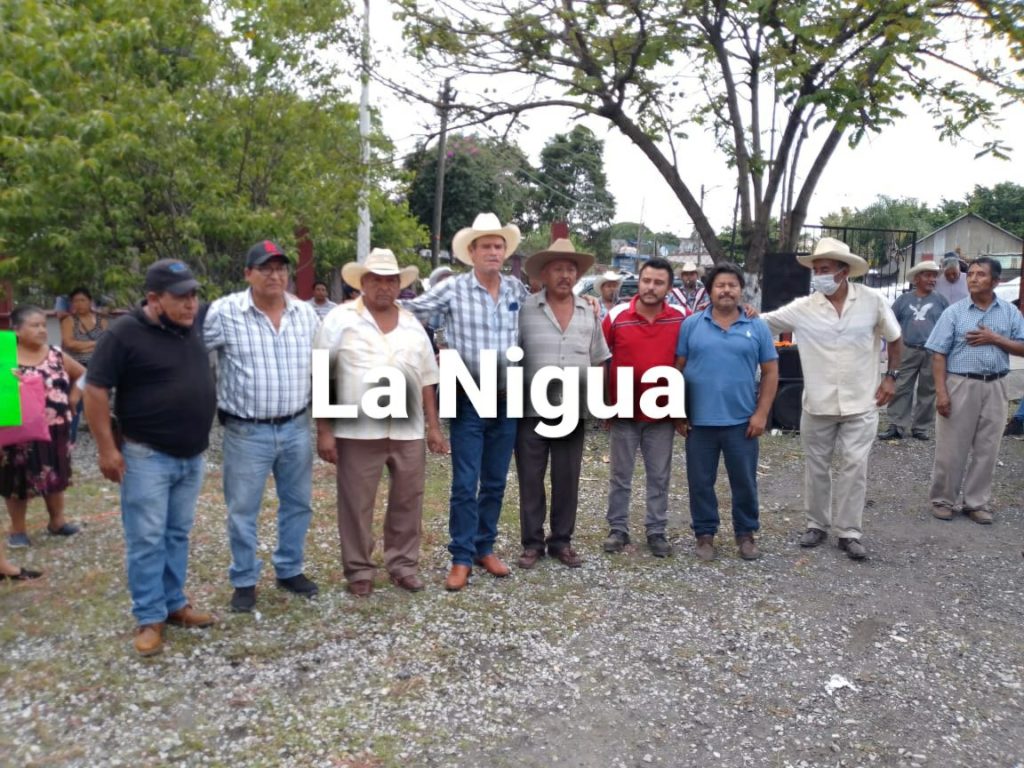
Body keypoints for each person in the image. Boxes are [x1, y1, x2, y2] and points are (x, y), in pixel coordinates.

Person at [85, 259, 218, 656]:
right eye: (180, 297)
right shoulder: (123, 334)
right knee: (146, 538)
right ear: (154, 299)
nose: (190, 303)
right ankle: (148, 615)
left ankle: (174, 602)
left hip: (191, 455)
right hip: (146, 455)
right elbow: (94, 391)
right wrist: (107, 448)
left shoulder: (191, 326)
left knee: (176, 533)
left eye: (193, 294)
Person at [314, 249, 448, 596]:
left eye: (391, 280)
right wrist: (324, 429)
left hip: (407, 429)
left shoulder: (412, 324)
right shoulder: (340, 319)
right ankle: (359, 569)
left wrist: (433, 427)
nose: (384, 287)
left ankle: (403, 564)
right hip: (357, 429)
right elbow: (322, 375)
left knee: (408, 498)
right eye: (377, 279)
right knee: (357, 501)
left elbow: (427, 379)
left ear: (399, 285)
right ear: (363, 282)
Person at [405, 213, 526, 591]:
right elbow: (411, 311)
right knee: (464, 482)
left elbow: (543, 309)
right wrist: (368, 304)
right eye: (485, 246)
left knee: (494, 481)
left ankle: (483, 547)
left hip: (506, 398)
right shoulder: (452, 290)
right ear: (470, 252)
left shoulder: (516, 290)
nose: (493, 251)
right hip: (467, 396)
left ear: (504, 251)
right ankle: (460, 557)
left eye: (497, 245)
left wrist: (582, 298)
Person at [761, 237, 902, 560]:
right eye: (816, 269)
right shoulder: (804, 308)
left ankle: (849, 532)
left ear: (843, 271)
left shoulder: (872, 301)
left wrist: (891, 377)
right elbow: (764, 323)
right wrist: (738, 314)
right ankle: (817, 524)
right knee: (817, 467)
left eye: (824, 269)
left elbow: (896, 339)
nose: (818, 275)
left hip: (862, 401)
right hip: (818, 403)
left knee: (855, 466)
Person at [203, 240, 321, 612]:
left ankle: (288, 568)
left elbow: (323, 366)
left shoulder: (305, 314)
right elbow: (190, 355)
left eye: (281, 268)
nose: (275, 275)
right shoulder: (224, 313)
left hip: (296, 426)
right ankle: (244, 579)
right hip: (245, 431)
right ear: (248, 274)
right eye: (265, 268)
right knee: (242, 509)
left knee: (298, 503)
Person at [515, 240, 610, 569]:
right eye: (558, 268)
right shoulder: (525, 309)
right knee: (530, 476)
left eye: (571, 269)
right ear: (544, 273)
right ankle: (531, 543)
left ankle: (561, 541)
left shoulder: (589, 311)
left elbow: (599, 359)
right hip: (531, 408)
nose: (565, 275)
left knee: (567, 477)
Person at [676, 263, 779, 561]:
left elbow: (771, 372)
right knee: (700, 481)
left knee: (744, 480)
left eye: (732, 285)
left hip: (742, 422)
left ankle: (745, 534)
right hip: (699, 422)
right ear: (709, 291)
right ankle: (705, 535)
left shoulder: (756, 326)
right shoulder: (691, 325)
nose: (726, 290)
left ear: (740, 291)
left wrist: (761, 414)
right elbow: (677, 370)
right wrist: (677, 412)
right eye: (720, 285)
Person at [926, 257, 1024, 523]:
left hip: (996, 385)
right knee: (951, 447)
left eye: (981, 275)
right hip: (961, 384)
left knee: (988, 447)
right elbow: (938, 354)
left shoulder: (1009, 313)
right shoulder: (955, 312)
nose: (973, 279)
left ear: (995, 281)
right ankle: (943, 499)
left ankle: (976, 503)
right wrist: (942, 392)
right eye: (971, 274)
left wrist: (996, 339)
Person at [603, 257, 689, 558]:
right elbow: (601, 358)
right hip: (624, 409)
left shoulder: (682, 317)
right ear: (639, 282)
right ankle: (618, 528)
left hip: (662, 412)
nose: (651, 287)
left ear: (668, 286)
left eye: (659, 282)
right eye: (647, 281)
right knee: (620, 474)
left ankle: (656, 530)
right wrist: (604, 402)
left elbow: (696, 347)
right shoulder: (616, 316)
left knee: (659, 475)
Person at [2, 305, 85, 549]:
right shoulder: (5, 356)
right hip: (17, 429)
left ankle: (57, 522)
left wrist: (74, 396)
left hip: (55, 427)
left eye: (42, 325)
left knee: (56, 474)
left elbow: (83, 374)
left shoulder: (56, 354)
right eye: (34, 325)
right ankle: (18, 529)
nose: (41, 330)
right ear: (17, 330)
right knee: (15, 479)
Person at [878, 260, 949, 440]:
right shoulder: (904, 300)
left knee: (928, 389)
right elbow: (891, 322)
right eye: (928, 275)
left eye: (934, 276)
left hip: (932, 352)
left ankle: (921, 427)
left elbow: (947, 326)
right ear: (917, 279)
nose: (932, 279)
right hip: (907, 349)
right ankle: (897, 425)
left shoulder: (941, 301)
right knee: (901, 386)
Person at [59, 287, 108, 443]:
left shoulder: (102, 320)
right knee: (75, 402)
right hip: (77, 366)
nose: (79, 304)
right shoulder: (69, 321)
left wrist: (83, 344)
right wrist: (95, 343)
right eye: (75, 301)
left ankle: (101, 437)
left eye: (83, 300)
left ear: (90, 301)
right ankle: (69, 439)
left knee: (99, 402)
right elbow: (69, 343)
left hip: (99, 366)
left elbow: (107, 343)